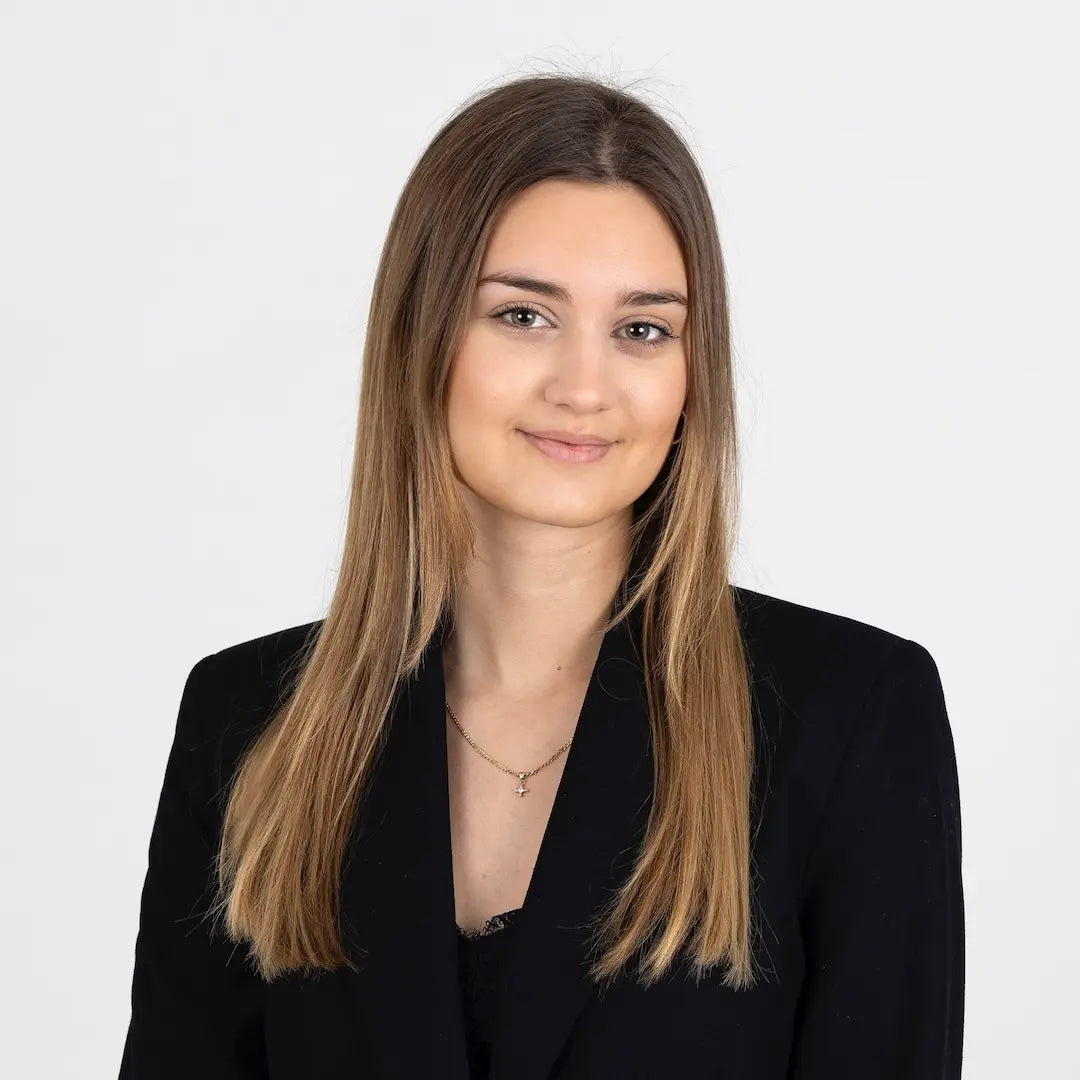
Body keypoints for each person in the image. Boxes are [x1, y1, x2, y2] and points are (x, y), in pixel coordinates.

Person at [118, 71, 964, 1079]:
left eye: (642, 329)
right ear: (422, 335)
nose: (584, 387)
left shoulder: (851, 715)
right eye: (523, 315)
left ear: (693, 372)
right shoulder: (250, 721)